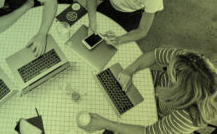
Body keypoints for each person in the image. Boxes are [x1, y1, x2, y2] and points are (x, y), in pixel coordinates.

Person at [78, 47, 217, 133]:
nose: (166, 71)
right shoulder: (189, 61)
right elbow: (155, 55)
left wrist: (107, 124)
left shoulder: (188, 118)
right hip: (151, 84)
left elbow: (147, 132)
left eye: (171, 78)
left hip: (155, 118)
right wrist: (130, 70)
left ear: (180, 93)